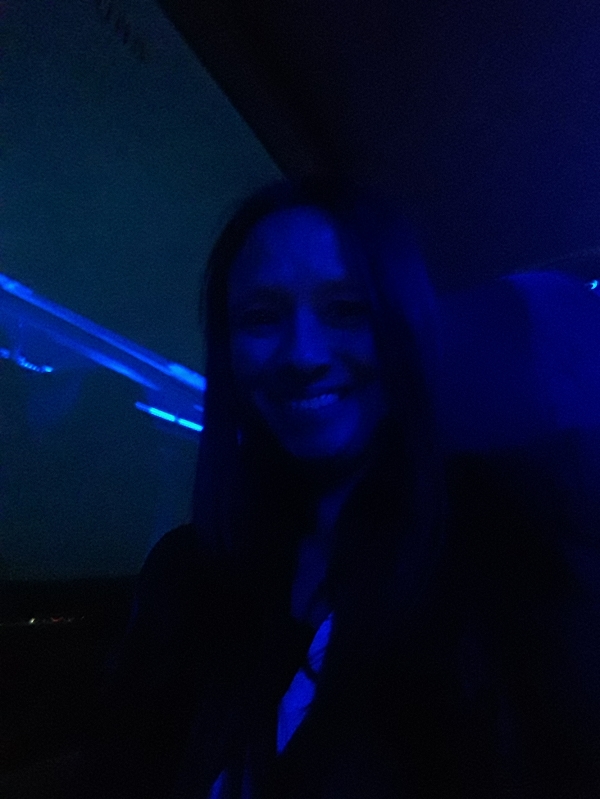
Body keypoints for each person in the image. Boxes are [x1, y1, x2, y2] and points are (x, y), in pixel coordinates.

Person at [74, 180, 600, 798]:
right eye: (262, 318)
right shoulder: (184, 577)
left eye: (347, 309)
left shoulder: (515, 560)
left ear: (405, 326)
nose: (303, 355)